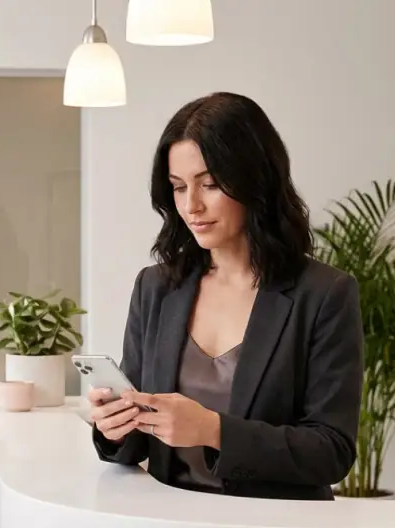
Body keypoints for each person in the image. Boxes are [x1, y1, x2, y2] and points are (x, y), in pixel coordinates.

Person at [88, 92, 363, 501]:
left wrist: (212, 430)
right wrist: (114, 427)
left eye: (210, 184)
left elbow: (332, 451)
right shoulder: (156, 288)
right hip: (171, 527)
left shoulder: (323, 294)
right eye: (179, 188)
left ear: (256, 180)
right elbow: (139, 443)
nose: (191, 206)